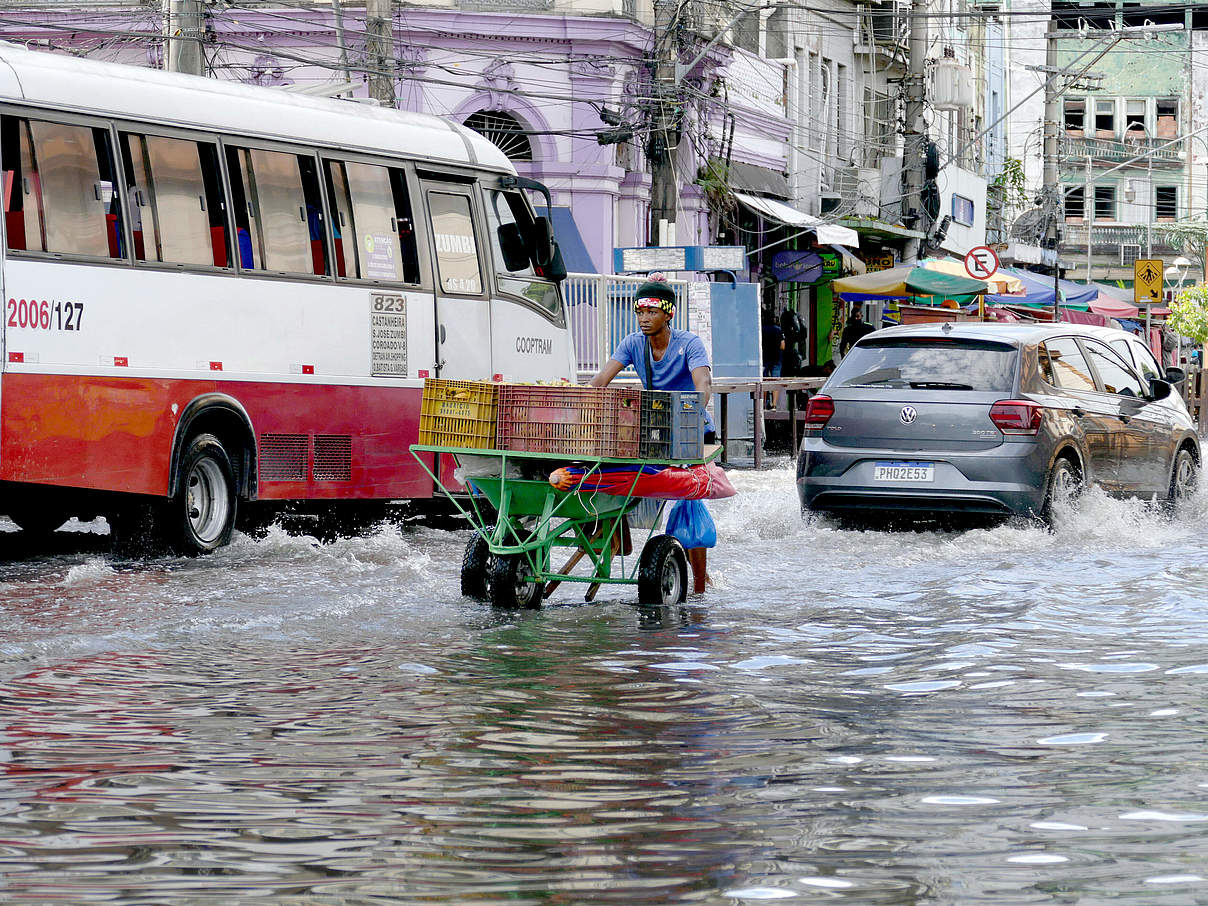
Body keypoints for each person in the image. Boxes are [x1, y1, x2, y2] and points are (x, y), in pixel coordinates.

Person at [590, 275, 715, 594]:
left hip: (690, 428)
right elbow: (601, 380)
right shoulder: (633, 343)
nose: (644, 318)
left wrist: (693, 409)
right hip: (654, 428)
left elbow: (703, 384)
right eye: (640, 311)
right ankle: (621, 539)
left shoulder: (689, 344)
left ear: (668, 313)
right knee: (609, 472)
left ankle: (699, 583)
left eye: (652, 311)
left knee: (689, 498)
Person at [761, 305, 784, 409]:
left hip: (765, 358)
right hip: (776, 358)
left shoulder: (761, 330)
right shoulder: (778, 330)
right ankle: (774, 405)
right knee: (775, 381)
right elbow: (783, 346)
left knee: (764, 381)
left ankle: (763, 405)